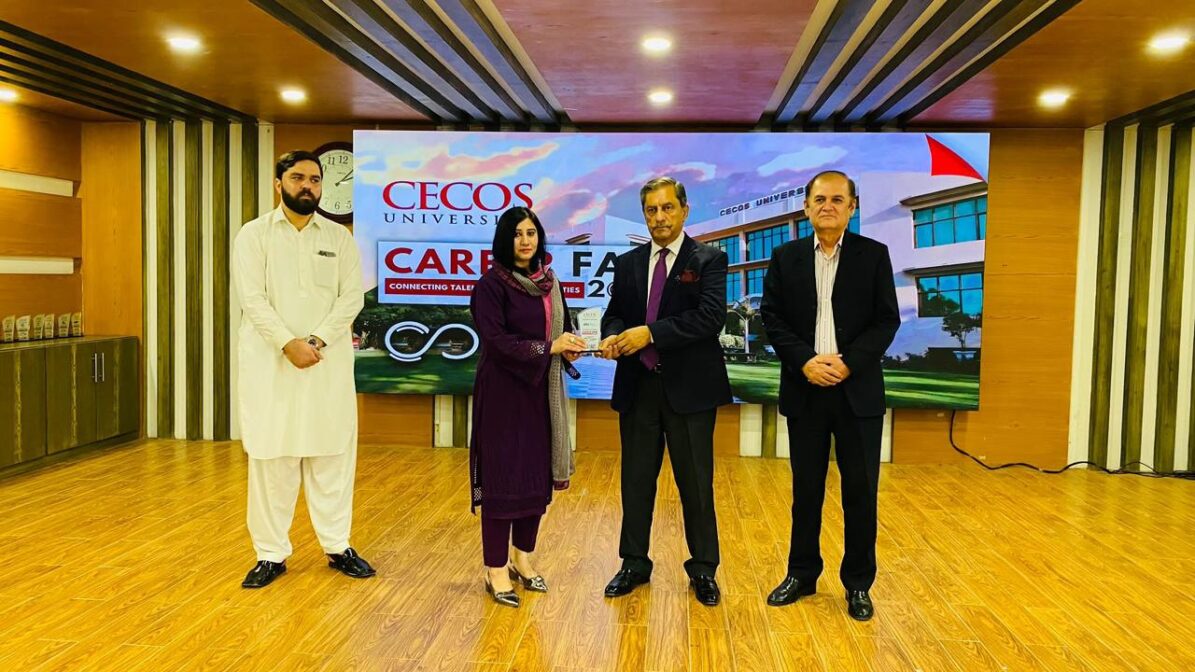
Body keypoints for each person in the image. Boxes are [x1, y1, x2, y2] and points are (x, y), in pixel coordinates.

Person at [760, 170, 900, 621]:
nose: (828, 206)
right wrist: (804, 361)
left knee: (860, 491)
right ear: (806, 207)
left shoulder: (873, 255)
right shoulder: (785, 257)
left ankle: (858, 583)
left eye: (838, 199)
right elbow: (772, 317)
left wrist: (849, 362)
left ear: (852, 207)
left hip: (856, 391)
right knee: (806, 491)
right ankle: (801, 574)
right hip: (806, 389)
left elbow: (886, 320)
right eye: (820, 199)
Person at [232, 150, 375, 589]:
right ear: (279, 184)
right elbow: (252, 298)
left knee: (331, 456)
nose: (308, 186)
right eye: (298, 178)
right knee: (271, 459)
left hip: (324, 365)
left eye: (314, 179)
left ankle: (337, 546)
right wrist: (287, 343)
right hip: (270, 366)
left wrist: (315, 342)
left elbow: (351, 298)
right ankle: (270, 554)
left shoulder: (339, 238)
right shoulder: (254, 235)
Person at [598, 176, 732, 607]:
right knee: (636, 482)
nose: (660, 217)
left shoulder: (709, 259)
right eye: (652, 210)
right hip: (638, 387)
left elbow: (709, 318)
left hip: (690, 392)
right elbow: (615, 314)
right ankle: (634, 563)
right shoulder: (628, 263)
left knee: (696, 485)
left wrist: (650, 334)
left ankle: (704, 569)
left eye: (667, 207)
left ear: (684, 210)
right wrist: (612, 335)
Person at [469, 206, 584, 608]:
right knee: (503, 482)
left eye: (531, 232)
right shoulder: (490, 285)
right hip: (503, 396)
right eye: (517, 233)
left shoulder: (551, 283)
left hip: (541, 394)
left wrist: (570, 347)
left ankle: (522, 558)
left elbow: (562, 329)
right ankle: (495, 568)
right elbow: (497, 342)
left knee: (535, 480)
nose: (525, 240)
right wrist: (550, 348)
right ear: (505, 239)